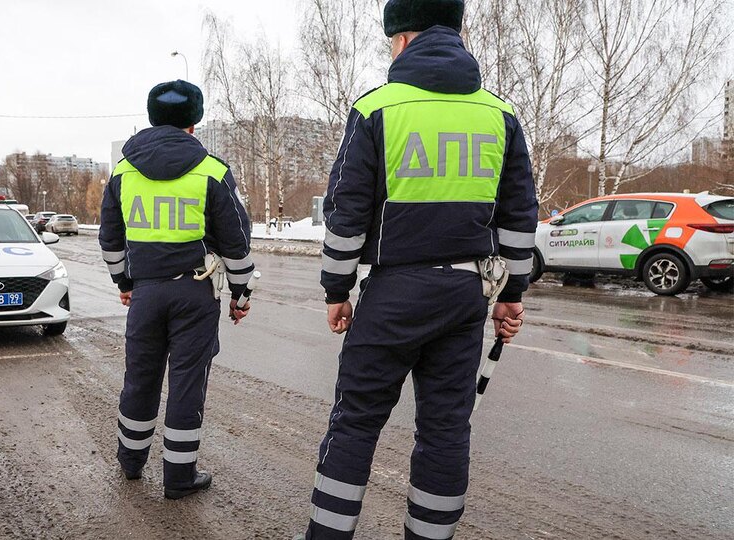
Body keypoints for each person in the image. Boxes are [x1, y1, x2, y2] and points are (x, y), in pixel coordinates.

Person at [300, 1, 538, 538]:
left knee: (356, 424)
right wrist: (511, 293)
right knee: (446, 430)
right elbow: (520, 217)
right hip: (464, 295)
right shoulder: (500, 115)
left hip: (393, 294)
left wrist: (338, 289)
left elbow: (346, 215)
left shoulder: (377, 109)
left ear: (402, 39)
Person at [99, 80, 255, 500]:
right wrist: (241, 294)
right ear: (194, 122)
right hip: (195, 294)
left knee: (140, 377)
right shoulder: (213, 170)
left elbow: (110, 240)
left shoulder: (123, 171)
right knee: (187, 384)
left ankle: (130, 462)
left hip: (146, 294)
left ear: (152, 117)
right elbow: (236, 243)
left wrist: (124, 283)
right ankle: (178, 476)